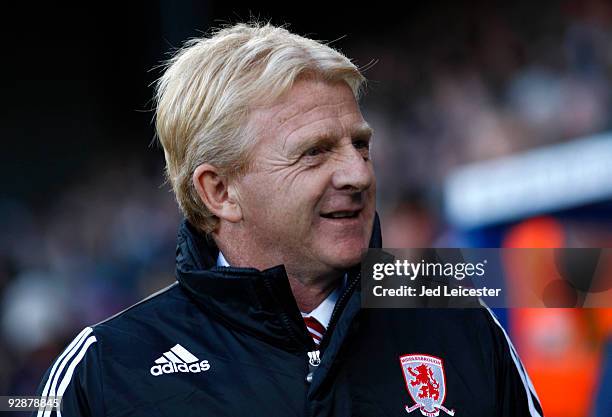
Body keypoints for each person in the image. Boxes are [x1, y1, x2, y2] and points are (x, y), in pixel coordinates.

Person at [33, 23, 543, 417]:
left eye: (360, 145)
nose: (357, 174)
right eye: (315, 152)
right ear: (220, 191)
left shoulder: (463, 324)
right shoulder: (105, 371)